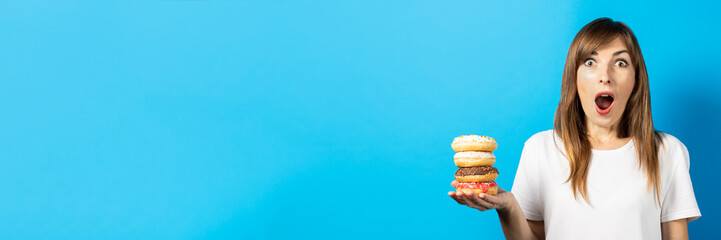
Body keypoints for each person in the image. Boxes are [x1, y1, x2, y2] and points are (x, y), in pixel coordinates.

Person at [448, 17, 701, 240]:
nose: (605, 75)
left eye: (621, 63)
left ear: (636, 81)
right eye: (590, 62)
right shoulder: (540, 149)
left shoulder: (667, 152)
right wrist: (508, 207)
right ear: (575, 78)